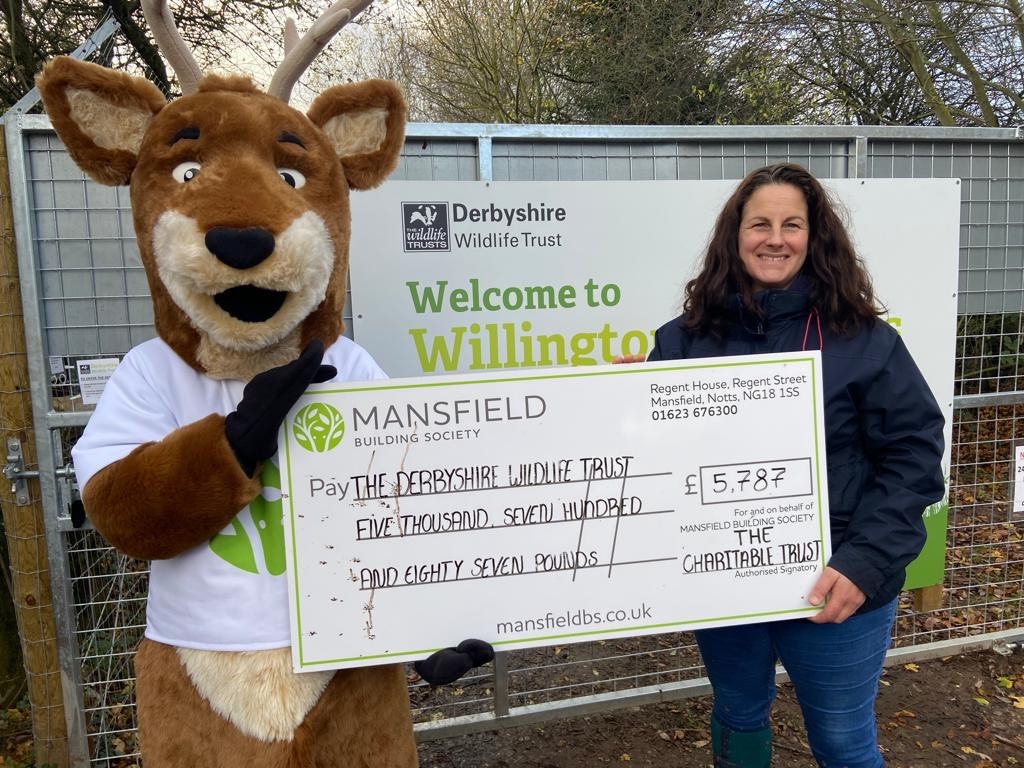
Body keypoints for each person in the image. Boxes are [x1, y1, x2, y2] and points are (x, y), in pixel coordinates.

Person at [646, 163, 945, 768]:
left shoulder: (865, 340)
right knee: (737, 712)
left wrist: (863, 563)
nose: (774, 238)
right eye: (760, 223)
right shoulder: (683, 340)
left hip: (839, 585)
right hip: (725, 579)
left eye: (791, 224)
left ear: (815, 237)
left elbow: (914, 458)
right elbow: (658, 457)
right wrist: (626, 403)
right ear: (736, 235)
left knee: (841, 740)